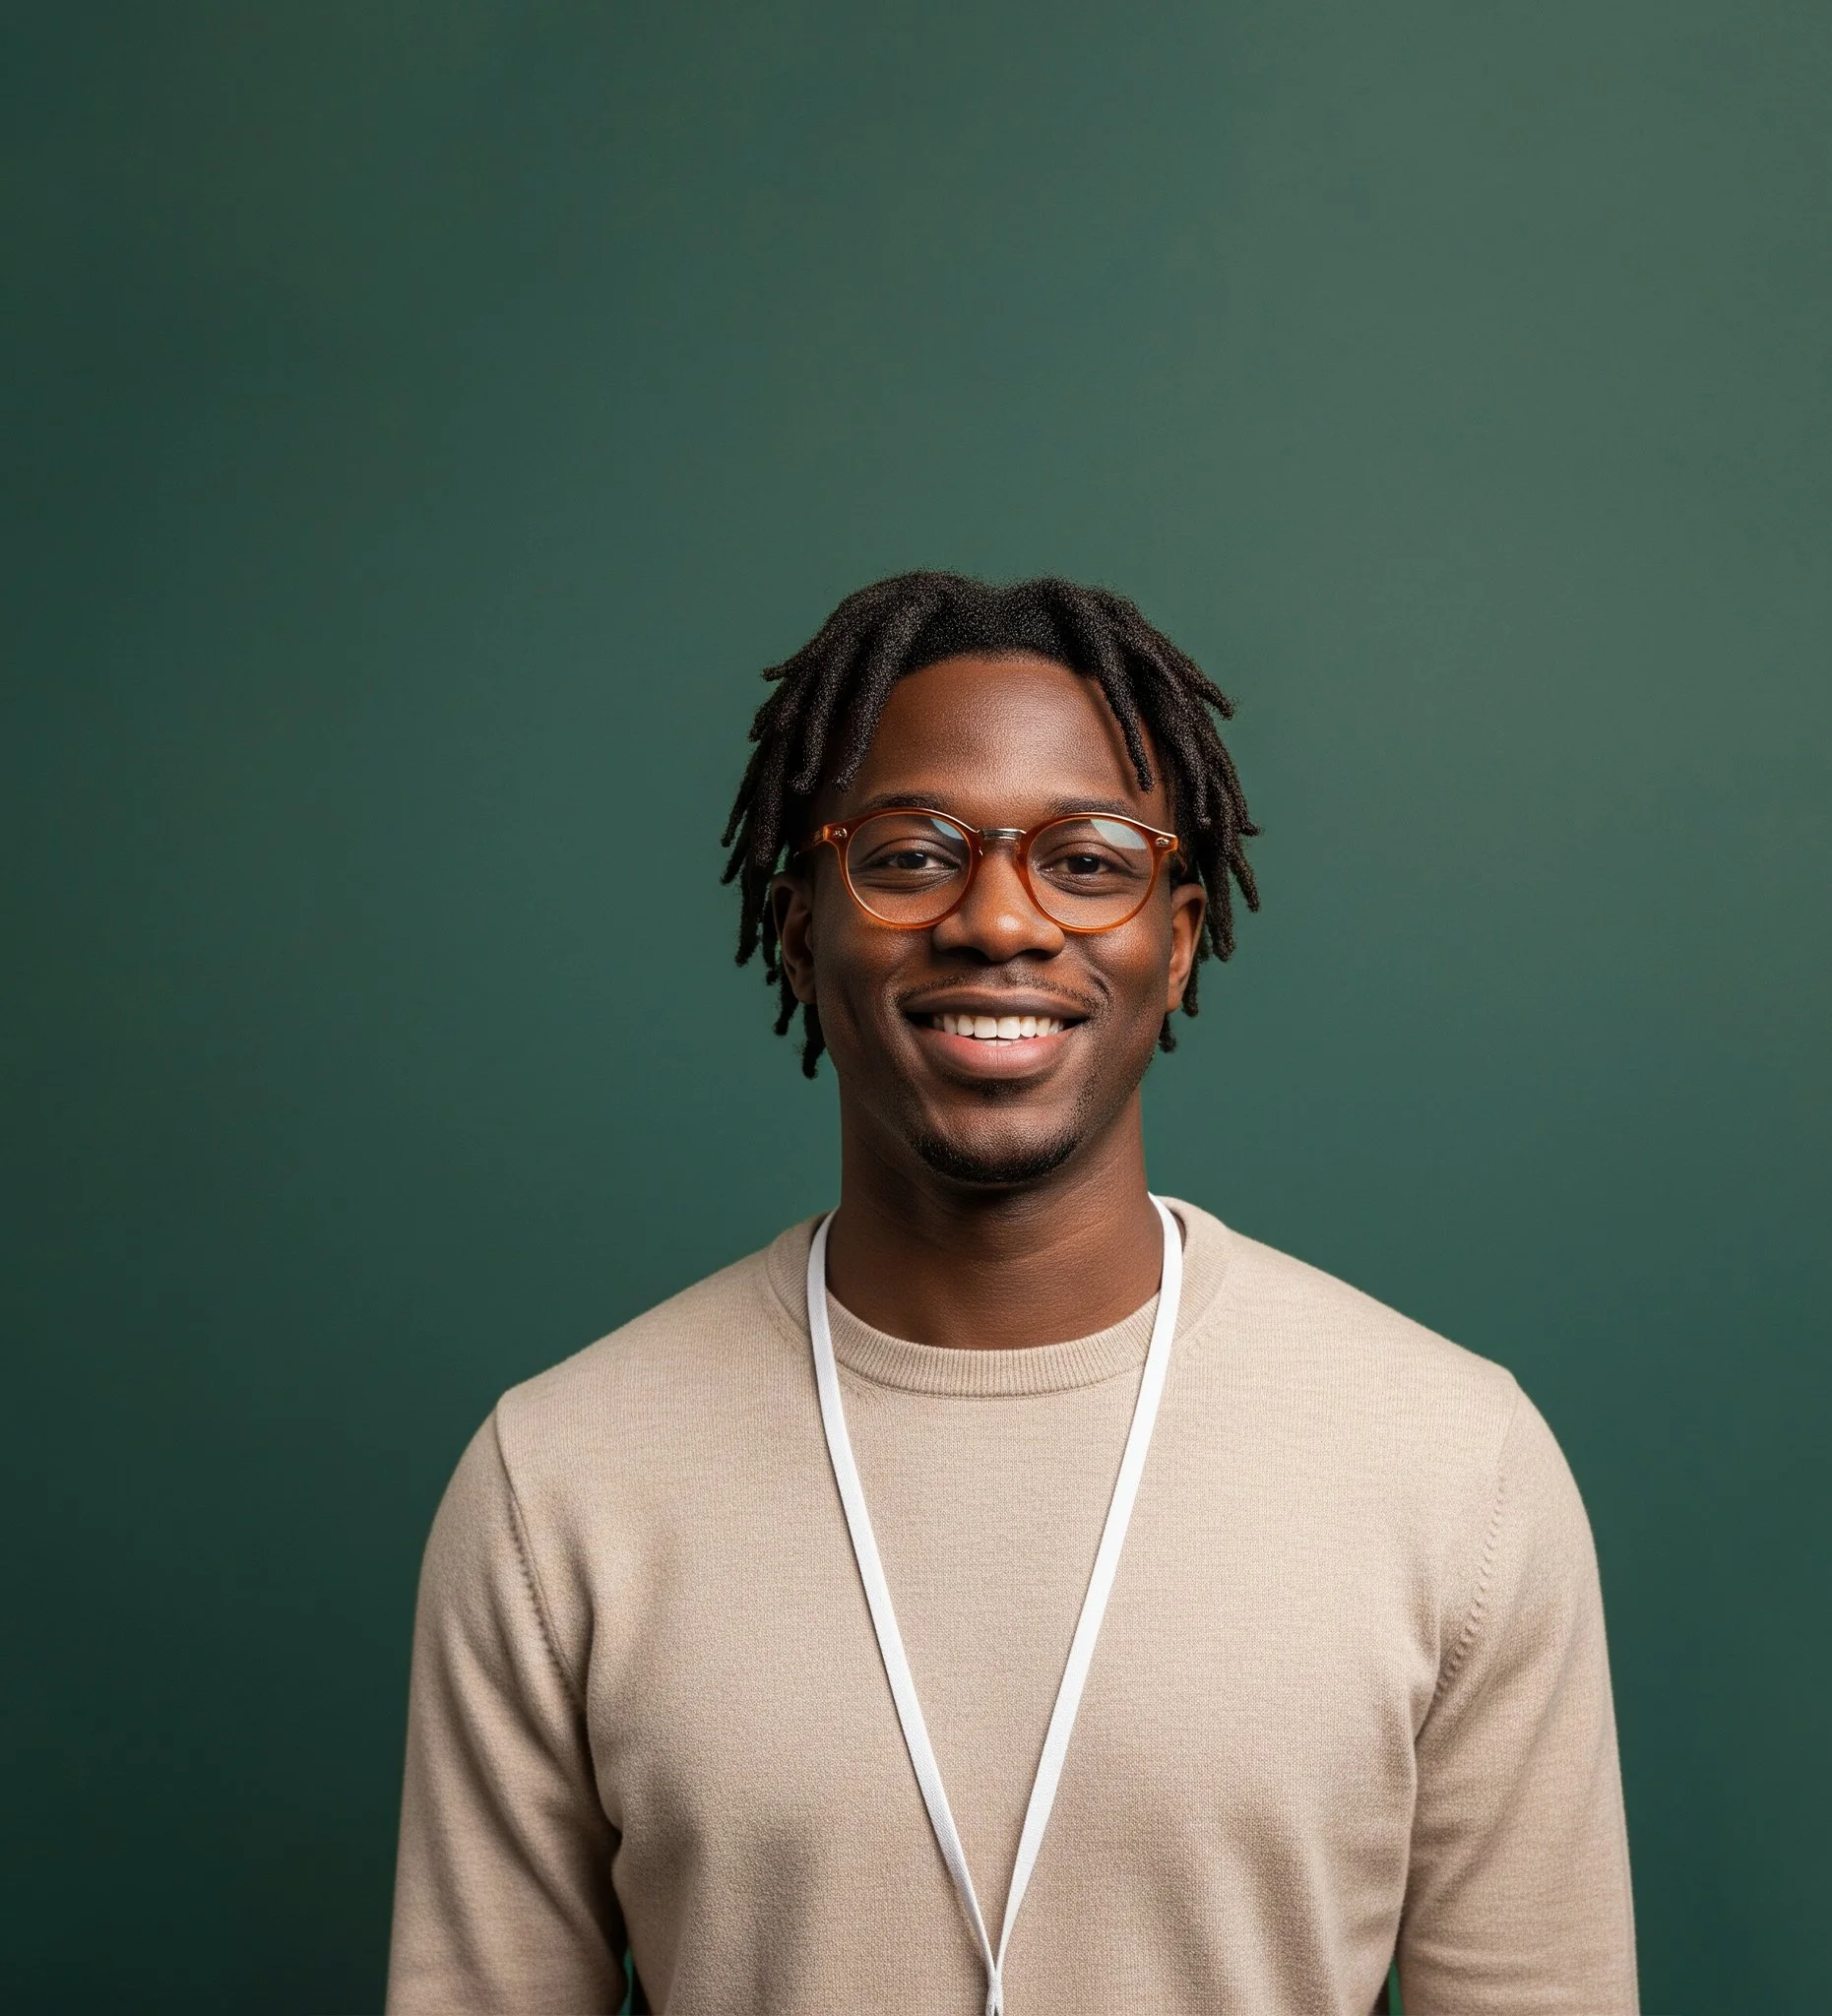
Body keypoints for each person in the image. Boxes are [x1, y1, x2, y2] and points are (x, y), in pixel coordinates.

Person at [387, 573, 1637, 2015]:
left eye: (1089, 859)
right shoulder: (559, 1484)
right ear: (798, 935)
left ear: (1174, 944)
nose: (999, 919)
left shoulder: (1453, 1465)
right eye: (911, 856)